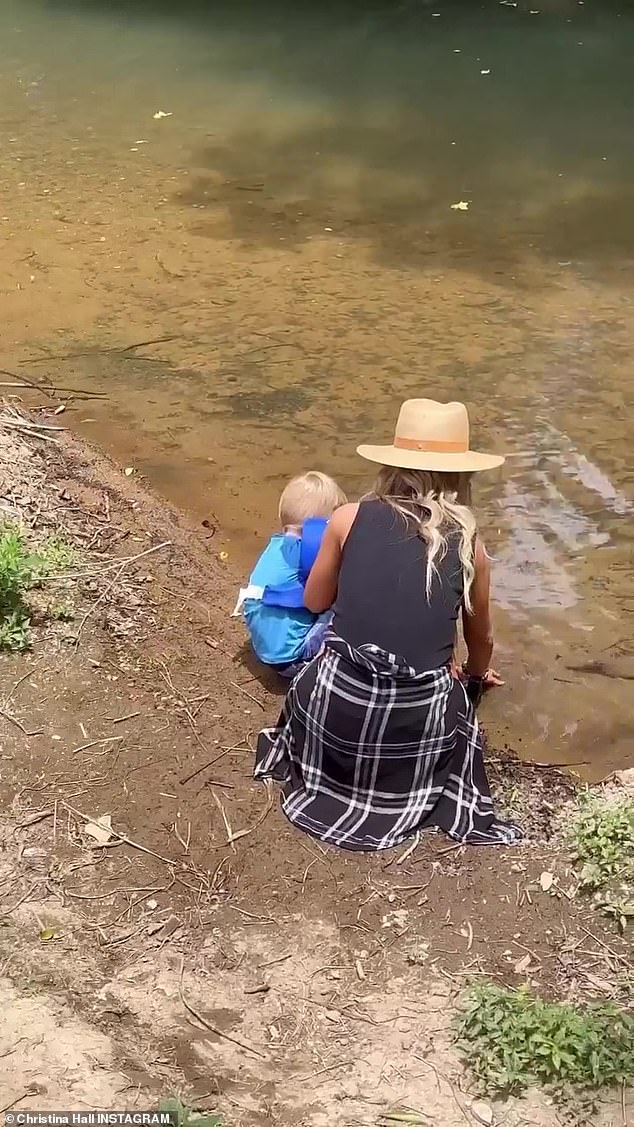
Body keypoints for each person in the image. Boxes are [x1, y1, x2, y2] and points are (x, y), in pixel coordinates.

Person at [254, 399, 520, 850]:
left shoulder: (347, 517)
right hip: (412, 732)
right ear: (460, 477)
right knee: (452, 701)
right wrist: (472, 680)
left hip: (335, 710)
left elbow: (317, 599)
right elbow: (482, 640)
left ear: (391, 465)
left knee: (329, 659)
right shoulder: (469, 545)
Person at [234, 471, 347, 675]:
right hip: (292, 659)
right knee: (346, 603)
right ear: (321, 528)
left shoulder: (276, 544)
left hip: (264, 649)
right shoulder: (311, 553)